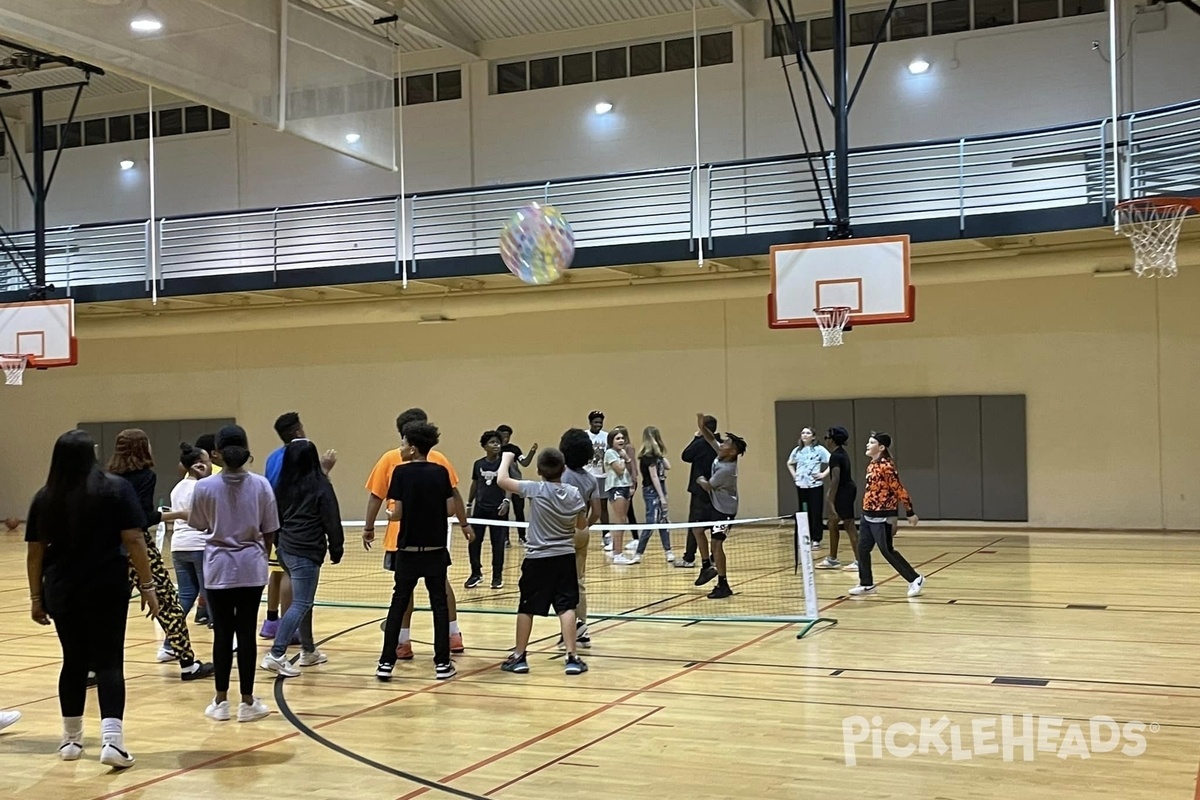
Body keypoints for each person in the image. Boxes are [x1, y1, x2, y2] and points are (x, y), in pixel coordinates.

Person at [26, 430, 159, 768]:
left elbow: (35, 553)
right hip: (106, 587)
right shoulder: (116, 489)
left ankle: (71, 740)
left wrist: (35, 597)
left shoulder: (45, 496)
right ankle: (112, 742)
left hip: (62, 589)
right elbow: (133, 539)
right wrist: (147, 585)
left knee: (73, 661)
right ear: (92, 455)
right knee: (109, 662)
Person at [363, 408, 471, 658]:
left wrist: (369, 527)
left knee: (403, 592)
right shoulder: (439, 460)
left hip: (402, 540)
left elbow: (376, 496)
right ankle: (452, 636)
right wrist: (464, 524)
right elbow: (454, 495)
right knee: (441, 586)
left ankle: (402, 642)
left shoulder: (391, 459)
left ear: (404, 437)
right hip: (434, 538)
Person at [189, 425, 279, 722]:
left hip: (218, 569)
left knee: (223, 635)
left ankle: (220, 700)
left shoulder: (204, 487)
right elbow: (270, 530)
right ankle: (248, 701)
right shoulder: (261, 485)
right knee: (247, 635)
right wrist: (259, 555)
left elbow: (200, 524)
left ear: (218, 453)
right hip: (252, 569)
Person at [108, 429, 214, 681]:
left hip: (108, 548)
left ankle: (93, 668)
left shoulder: (108, 477)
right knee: (169, 605)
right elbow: (141, 519)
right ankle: (188, 664)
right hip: (138, 545)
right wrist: (176, 514)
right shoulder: (145, 477)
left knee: (108, 610)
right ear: (143, 448)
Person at [377, 422, 459, 681]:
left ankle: (386, 663)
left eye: (402, 444)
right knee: (439, 606)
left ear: (412, 448)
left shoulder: (400, 474)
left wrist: (390, 513)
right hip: (435, 550)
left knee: (398, 604)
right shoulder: (440, 472)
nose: (400, 448)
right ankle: (442, 664)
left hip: (408, 551)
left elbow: (397, 512)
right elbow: (450, 510)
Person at [497, 448, 589, 675]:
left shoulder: (535, 489)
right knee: (566, 606)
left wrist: (507, 458)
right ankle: (572, 657)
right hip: (564, 558)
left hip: (537, 559)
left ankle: (519, 657)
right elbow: (580, 524)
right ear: (564, 469)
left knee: (527, 607)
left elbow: (502, 480)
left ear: (538, 470)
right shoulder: (574, 493)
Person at [260, 440, 344, 677]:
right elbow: (332, 519)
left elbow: (273, 520)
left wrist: (279, 544)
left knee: (305, 601)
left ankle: (308, 650)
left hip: (285, 550)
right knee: (302, 603)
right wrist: (337, 548)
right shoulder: (321, 486)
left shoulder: (281, 488)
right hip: (306, 552)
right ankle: (276, 654)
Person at [261, 412, 337, 641]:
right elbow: (308, 490)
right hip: (299, 532)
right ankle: (286, 634)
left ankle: (273, 622)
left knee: (281, 573)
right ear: (297, 432)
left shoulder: (271, 458)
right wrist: (324, 471)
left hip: (278, 528)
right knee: (295, 586)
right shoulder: (301, 457)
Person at [850, 432, 925, 598]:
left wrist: (909, 512)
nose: (867, 445)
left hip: (883, 516)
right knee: (862, 549)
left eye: (871, 442)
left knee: (887, 550)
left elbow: (898, 489)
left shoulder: (887, 466)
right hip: (867, 515)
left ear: (881, 447)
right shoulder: (871, 465)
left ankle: (915, 578)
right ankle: (866, 583)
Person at [692, 412, 746, 600]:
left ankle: (723, 584)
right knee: (697, 529)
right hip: (715, 507)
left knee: (717, 545)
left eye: (725, 444)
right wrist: (702, 426)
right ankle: (707, 565)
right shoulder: (723, 456)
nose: (721, 444)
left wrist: (699, 479)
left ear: (732, 451)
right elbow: (709, 439)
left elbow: (708, 485)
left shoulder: (727, 469)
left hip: (725, 512)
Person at [558, 428, 602, 649]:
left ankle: (570, 630)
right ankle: (581, 629)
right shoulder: (591, 479)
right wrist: (584, 526)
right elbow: (597, 512)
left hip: (564, 532)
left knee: (563, 583)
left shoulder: (563, 476)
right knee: (579, 582)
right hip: (582, 530)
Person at [171, 443, 211, 629]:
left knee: (186, 595)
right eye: (207, 461)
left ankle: (169, 644)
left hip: (178, 546)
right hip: (199, 545)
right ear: (199, 464)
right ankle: (229, 640)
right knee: (210, 595)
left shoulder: (177, 487)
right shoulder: (202, 487)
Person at [467, 430, 511, 589]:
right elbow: (475, 484)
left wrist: (506, 501)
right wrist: (469, 504)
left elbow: (509, 484)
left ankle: (497, 576)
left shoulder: (505, 464)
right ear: (484, 446)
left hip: (498, 510)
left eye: (498, 442)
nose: (496, 445)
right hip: (480, 509)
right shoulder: (478, 464)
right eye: (492, 442)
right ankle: (475, 573)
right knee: (474, 541)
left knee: (497, 544)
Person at [677, 415, 720, 569]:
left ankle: (689, 558)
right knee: (716, 523)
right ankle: (715, 555)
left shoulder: (701, 443)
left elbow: (685, 456)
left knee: (695, 525)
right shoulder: (720, 443)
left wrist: (696, 438)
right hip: (717, 491)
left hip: (700, 490)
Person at [817, 427, 859, 571]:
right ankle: (832, 558)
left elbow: (836, 479)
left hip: (843, 492)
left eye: (827, 437)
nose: (825, 440)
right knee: (832, 523)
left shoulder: (836, 456)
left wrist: (830, 499)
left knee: (849, 525)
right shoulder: (840, 453)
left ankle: (860, 561)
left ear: (832, 440)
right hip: (846, 490)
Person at [787, 427, 830, 550]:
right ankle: (805, 537)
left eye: (808, 433)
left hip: (814, 486)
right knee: (803, 512)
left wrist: (823, 474)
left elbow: (832, 462)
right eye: (803, 433)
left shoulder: (819, 450)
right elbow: (789, 463)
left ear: (813, 437)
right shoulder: (797, 450)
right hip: (801, 485)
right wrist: (795, 475)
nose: (805, 435)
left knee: (815, 512)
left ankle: (816, 539)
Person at [635, 426, 674, 563]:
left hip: (661, 488)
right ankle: (638, 553)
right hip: (652, 491)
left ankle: (668, 550)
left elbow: (668, 466)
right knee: (651, 522)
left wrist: (661, 455)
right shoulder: (647, 457)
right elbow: (654, 477)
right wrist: (662, 497)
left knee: (663, 521)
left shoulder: (657, 456)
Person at [497, 425, 537, 545]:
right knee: (503, 512)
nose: (505, 438)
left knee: (519, 511)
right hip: (502, 485)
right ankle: (505, 538)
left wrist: (532, 452)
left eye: (507, 436)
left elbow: (524, 462)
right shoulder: (496, 449)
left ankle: (522, 536)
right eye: (503, 435)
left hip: (516, 484)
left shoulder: (514, 449)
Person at [605, 430, 636, 563]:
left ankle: (616, 550)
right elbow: (619, 469)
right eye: (617, 438)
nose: (621, 441)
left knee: (623, 520)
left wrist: (627, 459)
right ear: (611, 441)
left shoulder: (623, 454)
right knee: (620, 519)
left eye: (622, 438)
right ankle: (617, 553)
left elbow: (630, 470)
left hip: (625, 487)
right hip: (615, 488)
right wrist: (623, 457)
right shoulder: (610, 453)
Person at [585, 411, 610, 548]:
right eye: (596, 422)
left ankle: (606, 535)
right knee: (586, 506)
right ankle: (583, 532)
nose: (598, 425)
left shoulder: (606, 437)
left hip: (602, 476)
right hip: (588, 475)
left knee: (602, 507)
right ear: (590, 422)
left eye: (600, 422)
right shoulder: (585, 436)